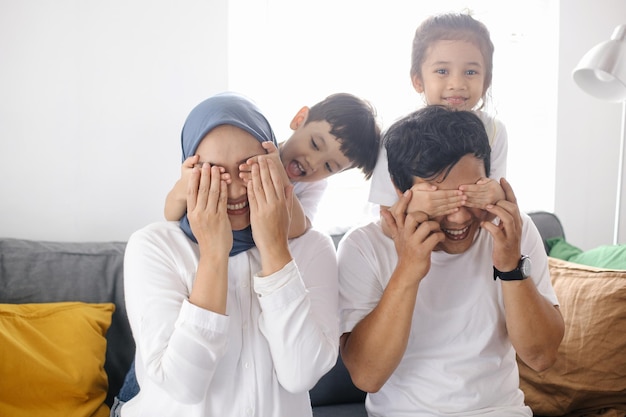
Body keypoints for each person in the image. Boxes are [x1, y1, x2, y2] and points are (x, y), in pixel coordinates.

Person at [114, 92, 339, 417]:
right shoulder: (153, 246)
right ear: (191, 170)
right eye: (215, 172)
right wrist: (214, 254)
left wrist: (275, 248)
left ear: (272, 166)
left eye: (248, 169)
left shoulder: (312, 247)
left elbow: (301, 373)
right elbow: (183, 385)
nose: (234, 189)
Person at [338, 105, 564, 416]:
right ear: (400, 190)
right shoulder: (364, 246)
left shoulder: (512, 231)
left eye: (470, 194)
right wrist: (407, 270)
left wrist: (511, 267)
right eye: (440, 200)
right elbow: (367, 376)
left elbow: (541, 357)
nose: (459, 216)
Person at [164, 92, 381, 238]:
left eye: (329, 167)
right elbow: (170, 215)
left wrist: (279, 178)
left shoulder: (314, 186)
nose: (313, 163)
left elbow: (297, 229)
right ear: (299, 119)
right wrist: (184, 188)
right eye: (315, 144)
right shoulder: (256, 147)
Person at [369, 12, 507, 218]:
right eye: (442, 71)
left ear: (486, 81)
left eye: (470, 72)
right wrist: (412, 204)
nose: (457, 84)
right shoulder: (397, 135)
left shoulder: (494, 131)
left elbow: (493, 203)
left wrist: (496, 193)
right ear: (418, 80)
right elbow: (384, 213)